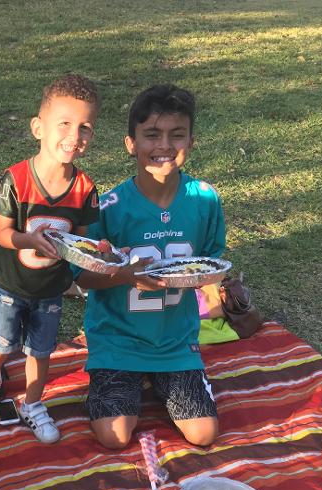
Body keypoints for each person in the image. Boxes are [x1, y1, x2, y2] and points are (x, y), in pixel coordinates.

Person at [76, 84, 224, 449]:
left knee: (204, 434)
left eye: (177, 134)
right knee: (114, 436)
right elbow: (82, 276)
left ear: (191, 141)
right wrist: (124, 275)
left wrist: (205, 285)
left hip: (174, 341)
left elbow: (211, 261)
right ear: (131, 143)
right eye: (152, 134)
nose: (164, 145)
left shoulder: (205, 199)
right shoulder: (108, 207)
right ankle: (117, 381)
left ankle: (163, 378)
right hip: (118, 340)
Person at [0, 74, 102, 443]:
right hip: (11, 283)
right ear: (38, 128)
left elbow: (81, 240)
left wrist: (100, 253)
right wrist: (29, 239)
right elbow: (3, 234)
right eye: (65, 124)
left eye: (85, 127)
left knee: (40, 350)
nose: (74, 135)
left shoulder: (85, 188)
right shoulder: (14, 180)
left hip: (51, 288)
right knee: (0, 341)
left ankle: (32, 402)